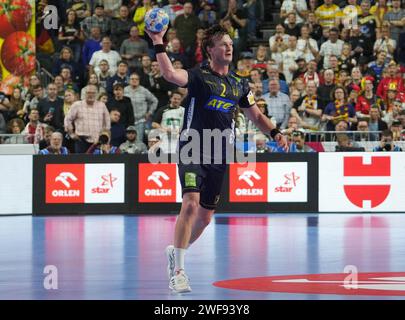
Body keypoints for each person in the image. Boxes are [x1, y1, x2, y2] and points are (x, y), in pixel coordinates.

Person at [145, 24, 288, 293]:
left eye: (231, 43)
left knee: (206, 217)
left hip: (221, 154)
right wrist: (157, 41)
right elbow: (169, 73)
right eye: (223, 43)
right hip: (193, 148)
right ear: (210, 50)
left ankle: (176, 251)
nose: (229, 47)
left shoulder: (239, 84)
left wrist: (275, 132)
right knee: (190, 203)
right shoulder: (199, 77)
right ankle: (178, 272)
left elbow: (256, 116)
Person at [64, 84, 111, 153]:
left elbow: (107, 122)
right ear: (85, 93)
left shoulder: (102, 105)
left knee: (96, 163)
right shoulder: (77, 105)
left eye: (93, 93)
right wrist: (72, 134)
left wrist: (105, 138)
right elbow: (67, 119)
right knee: (81, 162)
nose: (90, 95)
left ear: (97, 94)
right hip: (81, 141)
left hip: (98, 141)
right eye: (88, 92)